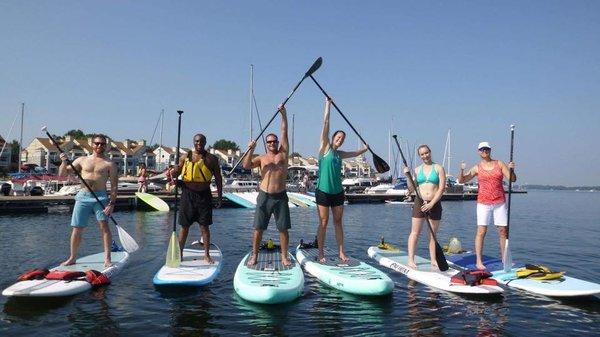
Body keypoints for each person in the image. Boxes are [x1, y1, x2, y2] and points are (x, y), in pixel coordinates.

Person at [315, 98, 369, 263]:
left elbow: (354, 154)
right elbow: (325, 124)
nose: (340, 140)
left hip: (338, 192)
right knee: (324, 222)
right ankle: (320, 252)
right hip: (323, 191)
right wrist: (327, 105)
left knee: (338, 222)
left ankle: (341, 252)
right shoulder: (325, 148)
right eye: (338, 137)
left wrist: (364, 149)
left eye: (342, 139)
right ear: (332, 138)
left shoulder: (340, 154)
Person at [243, 104, 292, 266]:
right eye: (269, 142)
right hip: (264, 195)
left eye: (274, 141)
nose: (272, 143)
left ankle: (284, 256)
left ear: (277, 142)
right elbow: (246, 165)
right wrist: (250, 149)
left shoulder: (283, 154)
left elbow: (284, 131)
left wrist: (283, 114)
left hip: (280, 196)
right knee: (258, 228)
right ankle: (254, 255)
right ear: (266, 144)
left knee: (283, 229)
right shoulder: (261, 158)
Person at [58, 134, 117, 268]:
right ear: (92, 144)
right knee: (77, 228)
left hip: (101, 197)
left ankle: (107, 258)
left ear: (106, 146)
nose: (99, 146)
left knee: (104, 227)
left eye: (102, 144)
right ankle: (72, 258)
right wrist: (63, 161)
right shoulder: (82, 160)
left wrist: (111, 204)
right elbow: (63, 173)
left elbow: (114, 186)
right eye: (97, 143)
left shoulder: (110, 164)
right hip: (83, 196)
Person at [458, 141, 516, 270]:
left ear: (490, 150)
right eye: (482, 149)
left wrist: (512, 169)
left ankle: (504, 259)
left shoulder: (499, 163)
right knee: (481, 231)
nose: (485, 151)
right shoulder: (477, 167)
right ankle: (479, 261)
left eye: (487, 149)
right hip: (483, 203)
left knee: (502, 231)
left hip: (499, 202)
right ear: (479, 152)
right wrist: (462, 169)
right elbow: (462, 180)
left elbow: (512, 179)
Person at [170, 134, 223, 263]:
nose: (199, 143)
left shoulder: (212, 159)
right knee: (184, 226)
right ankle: (180, 253)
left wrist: (219, 197)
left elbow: (218, 179)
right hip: (187, 194)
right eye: (196, 141)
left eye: (201, 141)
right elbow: (176, 174)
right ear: (193, 142)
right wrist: (174, 171)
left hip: (204, 195)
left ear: (205, 142)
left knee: (204, 227)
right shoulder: (185, 157)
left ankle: (206, 255)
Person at [403, 144, 447, 269]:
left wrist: (432, 203)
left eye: (426, 153)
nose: (425, 156)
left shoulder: (438, 168)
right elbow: (411, 188)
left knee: (432, 234)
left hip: (434, 203)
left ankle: (433, 259)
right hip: (420, 202)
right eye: (422, 154)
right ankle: (410, 259)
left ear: (430, 152)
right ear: (420, 156)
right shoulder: (417, 170)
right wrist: (407, 175)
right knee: (415, 232)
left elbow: (441, 189)